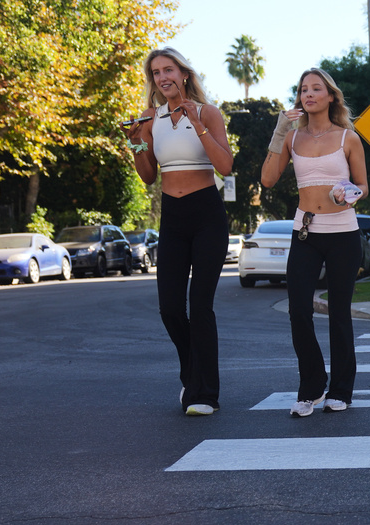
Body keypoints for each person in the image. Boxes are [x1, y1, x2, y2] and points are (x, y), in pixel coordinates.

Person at [121, 47, 233, 416]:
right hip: (172, 215)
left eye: (168, 70)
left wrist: (195, 122)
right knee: (170, 307)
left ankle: (206, 394)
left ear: (183, 74)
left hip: (207, 213)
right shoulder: (150, 119)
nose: (162, 77)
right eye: (155, 73)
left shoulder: (208, 113)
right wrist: (135, 142)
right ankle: (191, 372)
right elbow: (149, 175)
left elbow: (225, 167)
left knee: (200, 306)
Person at [260, 68, 369, 417]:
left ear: (330, 96)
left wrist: (349, 193)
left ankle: (340, 390)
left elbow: (363, 187)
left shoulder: (347, 138)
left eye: (316, 89)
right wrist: (279, 131)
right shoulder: (292, 138)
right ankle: (311, 386)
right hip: (305, 232)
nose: (308, 94)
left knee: (339, 314)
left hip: (343, 234)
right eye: (303, 89)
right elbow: (267, 179)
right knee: (297, 311)